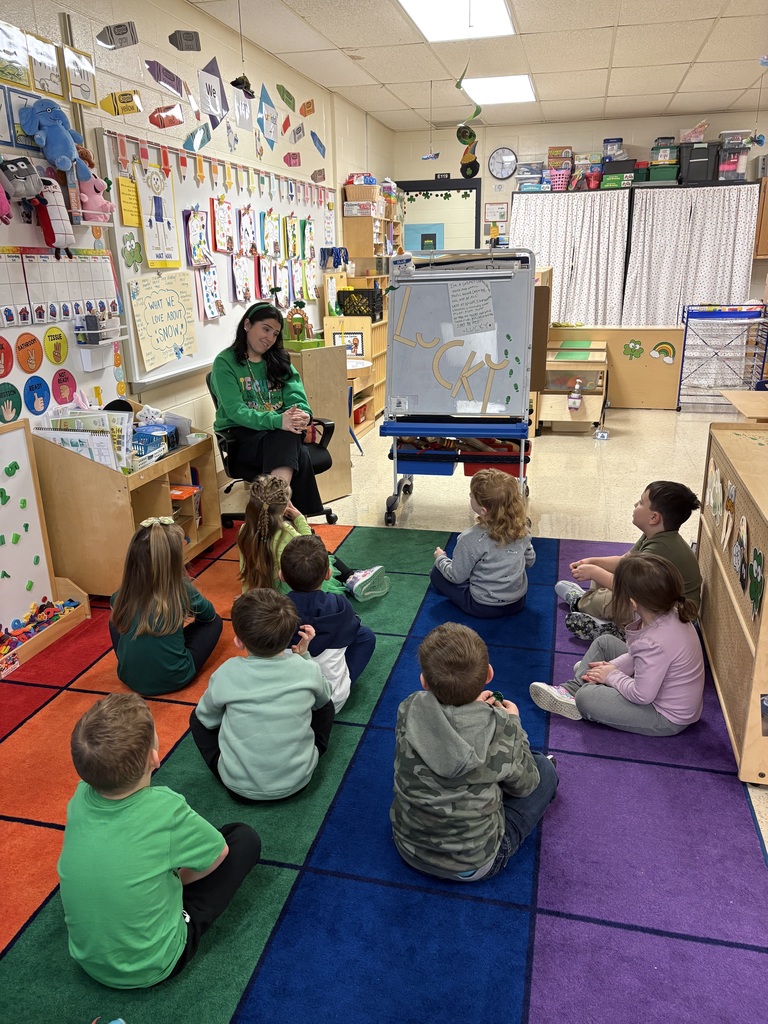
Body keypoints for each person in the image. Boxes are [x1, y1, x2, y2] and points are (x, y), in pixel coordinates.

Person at [57, 693, 261, 989]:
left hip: (86, 958)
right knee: (243, 839)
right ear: (155, 757)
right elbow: (220, 854)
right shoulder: (167, 808)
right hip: (155, 963)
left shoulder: (79, 799)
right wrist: (177, 879)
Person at [390, 622, 559, 882]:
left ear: (424, 682)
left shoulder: (408, 707)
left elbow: (448, 731)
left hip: (408, 848)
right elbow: (525, 787)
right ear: (489, 674)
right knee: (543, 771)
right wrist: (513, 724)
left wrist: (467, 711)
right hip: (472, 865)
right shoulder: (501, 727)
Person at [531, 553, 705, 736]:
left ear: (632, 602)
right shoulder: (665, 612)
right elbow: (635, 655)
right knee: (604, 642)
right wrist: (613, 667)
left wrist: (611, 676)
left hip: (664, 716)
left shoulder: (653, 642)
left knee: (587, 697)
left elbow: (642, 695)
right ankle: (574, 688)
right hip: (657, 686)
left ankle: (578, 694)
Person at [189, 588, 335, 801]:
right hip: (299, 781)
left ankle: (230, 765)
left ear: (238, 641)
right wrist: (305, 656)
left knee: (198, 718)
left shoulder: (226, 672)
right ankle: (310, 752)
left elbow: (206, 719)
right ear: (288, 637)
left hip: (237, 787)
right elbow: (324, 701)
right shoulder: (307, 669)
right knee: (324, 705)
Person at [210, 301, 324, 516]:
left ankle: (275, 506)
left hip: (279, 432)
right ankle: (290, 514)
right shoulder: (225, 363)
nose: (270, 338)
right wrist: (279, 421)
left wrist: (301, 415)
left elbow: (296, 396)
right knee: (294, 447)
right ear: (247, 325)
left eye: (275, 333)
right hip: (243, 438)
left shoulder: (278, 359)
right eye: (265, 329)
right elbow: (236, 411)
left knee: (287, 436)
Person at [555, 480, 702, 642]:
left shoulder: (659, 549)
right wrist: (592, 562)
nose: (635, 504)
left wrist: (594, 572)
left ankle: (583, 605)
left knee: (609, 598)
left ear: (654, 518)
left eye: (640, 502)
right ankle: (597, 614)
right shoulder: (655, 535)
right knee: (607, 574)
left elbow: (629, 589)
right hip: (654, 601)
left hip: (672, 620)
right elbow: (624, 562)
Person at [110, 518, 222, 696]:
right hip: (176, 678)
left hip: (128, 677)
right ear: (174, 561)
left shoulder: (122, 594)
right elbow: (208, 615)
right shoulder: (182, 589)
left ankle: (134, 664)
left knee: (117, 618)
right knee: (215, 623)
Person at [238, 474, 389, 601]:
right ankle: (351, 578)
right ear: (285, 507)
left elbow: (245, 566)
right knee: (325, 555)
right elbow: (311, 548)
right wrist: (299, 519)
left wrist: (248, 595)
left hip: (261, 594)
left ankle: (352, 577)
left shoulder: (244, 531)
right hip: (291, 592)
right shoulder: (287, 533)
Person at [281, 534, 376, 711]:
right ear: (328, 574)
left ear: (281, 575)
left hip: (286, 700)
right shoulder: (339, 605)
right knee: (366, 636)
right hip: (331, 702)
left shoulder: (274, 610)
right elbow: (353, 628)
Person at [430, 469, 535, 618]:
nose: (470, 496)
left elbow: (456, 577)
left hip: (482, 606)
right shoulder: (522, 528)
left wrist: (440, 558)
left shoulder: (469, 538)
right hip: (517, 602)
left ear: (483, 510)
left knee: (437, 573)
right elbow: (530, 561)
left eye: (472, 495)